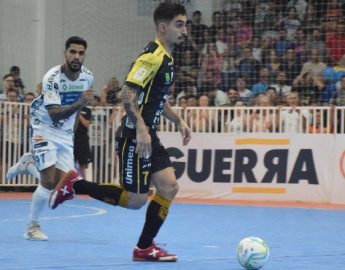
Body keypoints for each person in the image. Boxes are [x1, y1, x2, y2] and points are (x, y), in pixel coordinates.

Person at [49, 2, 191, 262]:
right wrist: (140, 128)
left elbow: (157, 98)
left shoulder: (167, 57)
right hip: (135, 137)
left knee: (169, 187)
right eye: (179, 25)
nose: (185, 30)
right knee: (136, 200)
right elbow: (127, 93)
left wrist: (178, 120)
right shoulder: (152, 56)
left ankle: (144, 248)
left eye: (185, 24)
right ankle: (74, 184)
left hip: (149, 135)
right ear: (163, 27)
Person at [8, 36, 94, 241]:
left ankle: (29, 164)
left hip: (64, 132)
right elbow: (55, 113)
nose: (76, 56)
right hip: (44, 125)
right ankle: (32, 227)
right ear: (65, 53)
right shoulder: (52, 77)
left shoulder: (88, 77)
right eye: (72, 52)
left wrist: (70, 133)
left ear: (84, 56)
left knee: (66, 187)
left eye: (81, 53)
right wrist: (81, 103)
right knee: (47, 181)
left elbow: (73, 112)